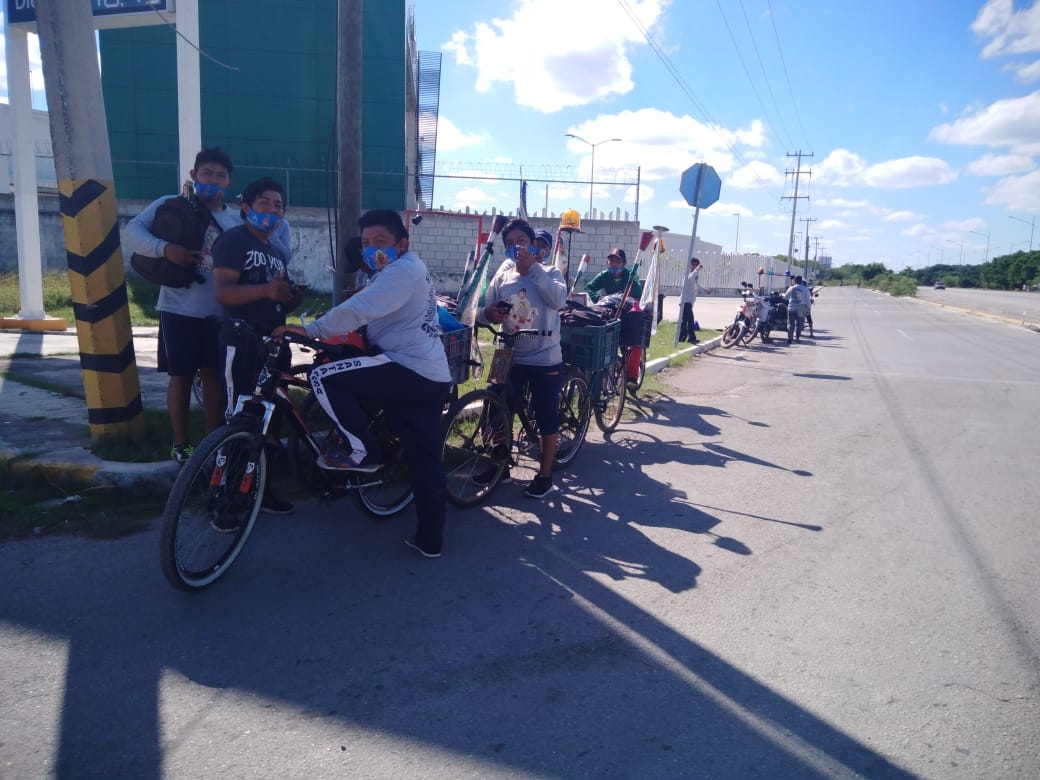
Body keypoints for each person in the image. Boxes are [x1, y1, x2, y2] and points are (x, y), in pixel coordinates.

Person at [273, 209, 452, 559]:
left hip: (408, 369)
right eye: (367, 243)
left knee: (323, 376)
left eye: (380, 242)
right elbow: (375, 302)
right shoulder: (398, 270)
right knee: (424, 460)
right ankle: (430, 540)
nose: (372, 249)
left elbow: (363, 307)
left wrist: (311, 330)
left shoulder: (403, 270)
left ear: (402, 243)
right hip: (431, 375)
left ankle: (364, 452)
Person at [123, 147, 240, 463]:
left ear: (228, 182)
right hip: (178, 309)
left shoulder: (235, 218)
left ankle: (213, 444)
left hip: (220, 313)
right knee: (182, 376)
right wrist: (165, 249)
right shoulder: (169, 205)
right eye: (206, 174)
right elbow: (131, 232)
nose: (212, 181)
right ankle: (181, 445)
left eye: (220, 176)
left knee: (214, 377)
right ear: (193, 175)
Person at [212, 176, 303, 515]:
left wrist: (291, 298)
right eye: (264, 203)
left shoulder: (277, 251)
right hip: (242, 339)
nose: (272, 210)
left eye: (278, 205)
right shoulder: (233, 241)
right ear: (246, 207)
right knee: (238, 417)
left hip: (274, 343)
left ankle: (258, 489)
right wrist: (266, 292)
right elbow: (223, 293)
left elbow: (279, 298)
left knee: (268, 420)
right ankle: (224, 497)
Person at [478, 218, 569, 499]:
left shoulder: (550, 271)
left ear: (532, 244)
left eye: (521, 241)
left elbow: (559, 301)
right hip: (509, 353)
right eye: (509, 243)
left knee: (545, 414)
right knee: (495, 405)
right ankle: (500, 464)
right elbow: (484, 310)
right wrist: (488, 315)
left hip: (544, 356)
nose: (515, 247)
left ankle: (544, 474)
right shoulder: (503, 276)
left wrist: (532, 270)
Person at [678, 257, 703, 344]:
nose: (695, 266)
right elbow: (689, 279)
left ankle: (682, 338)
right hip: (685, 301)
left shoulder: (694, 275)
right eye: (693, 265)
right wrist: (697, 269)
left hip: (689, 301)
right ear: (690, 265)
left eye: (696, 265)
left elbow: (696, 284)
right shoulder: (688, 275)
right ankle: (690, 338)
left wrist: (705, 290)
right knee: (689, 320)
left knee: (685, 320)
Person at [784, 275, 812, 344]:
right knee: (800, 324)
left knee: (791, 324)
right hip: (802, 307)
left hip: (791, 307)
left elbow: (785, 297)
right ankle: (797, 338)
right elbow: (808, 300)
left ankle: (790, 338)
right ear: (801, 281)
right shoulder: (805, 289)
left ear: (795, 281)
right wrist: (808, 308)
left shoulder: (791, 288)